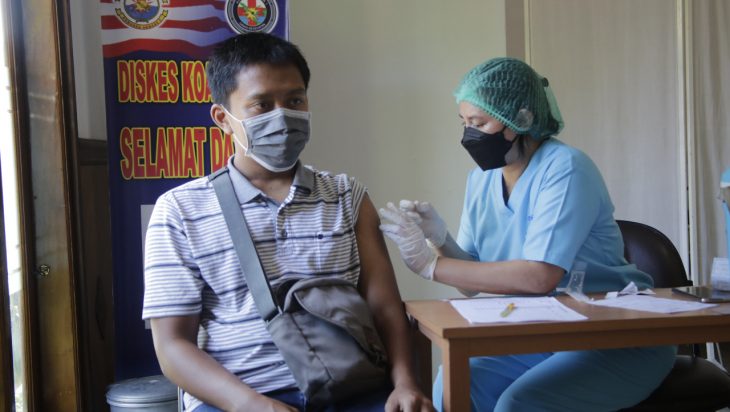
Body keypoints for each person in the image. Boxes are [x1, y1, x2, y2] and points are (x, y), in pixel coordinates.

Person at [142, 32, 433, 412]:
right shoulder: (179, 210)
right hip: (236, 398)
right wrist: (252, 405)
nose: (282, 116)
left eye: (295, 101)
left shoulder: (348, 195)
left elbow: (385, 309)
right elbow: (172, 345)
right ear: (223, 119)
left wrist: (406, 384)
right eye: (261, 105)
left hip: (353, 386)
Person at [378, 57, 677, 412]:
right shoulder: (481, 179)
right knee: (453, 386)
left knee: (518, 404)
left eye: (479, 123)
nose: (469, 135)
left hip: (613, 336)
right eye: (464, 122)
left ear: (521, 118)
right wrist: (440, 239)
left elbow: (538, 277)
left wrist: (429, 266)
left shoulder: (566, 168)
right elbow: (470, 283)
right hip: (540, 330)